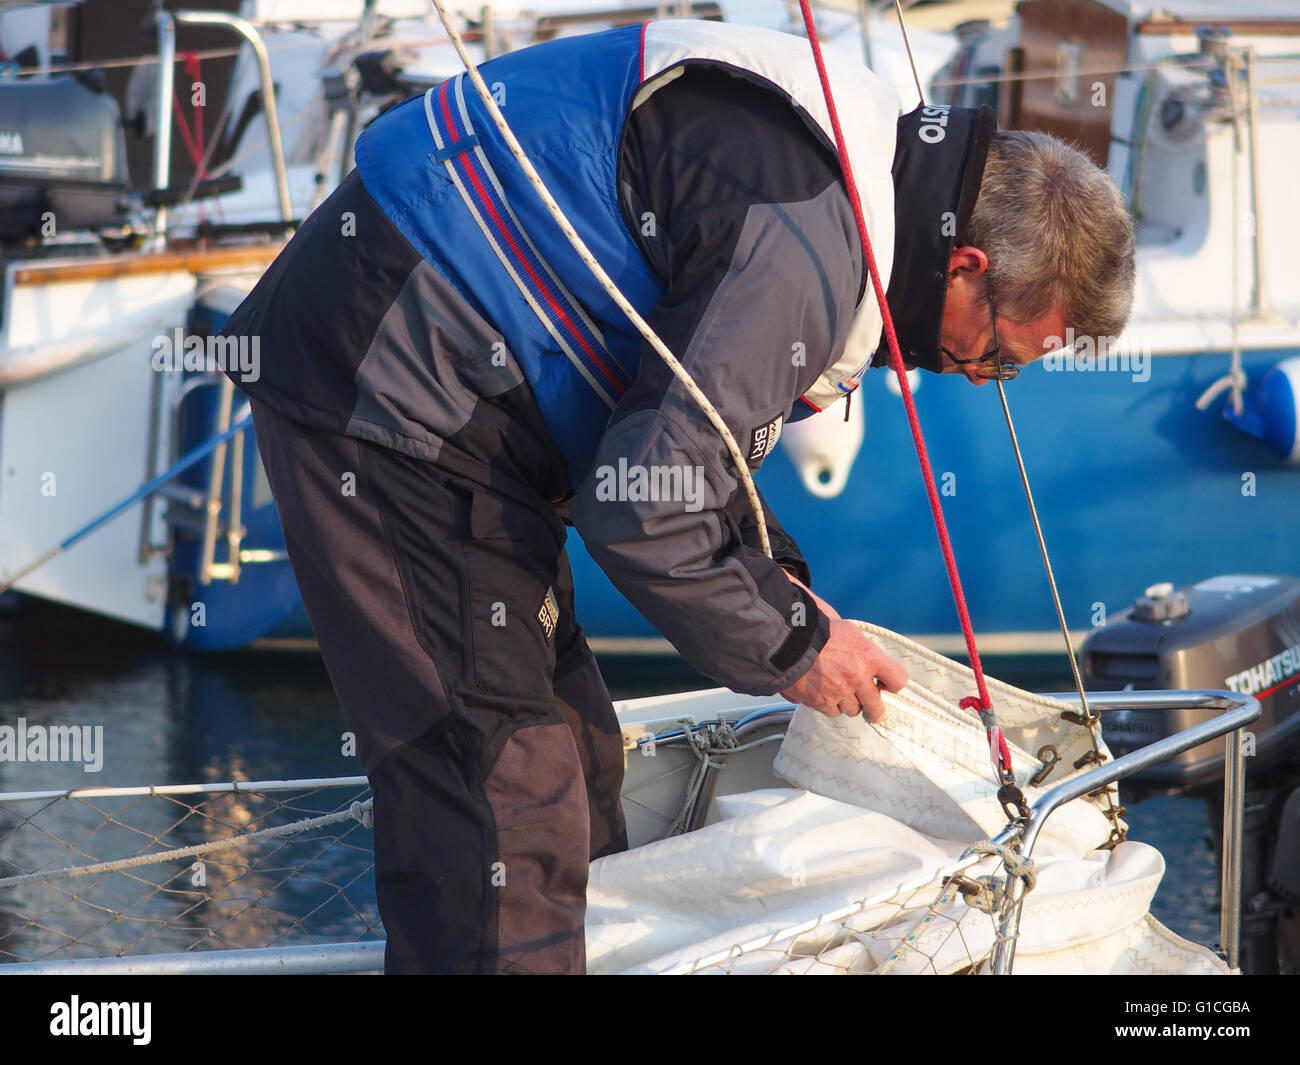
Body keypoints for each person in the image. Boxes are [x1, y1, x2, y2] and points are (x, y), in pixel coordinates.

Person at [218, 18, 1135, 974]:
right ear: (970, 267)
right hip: (385, 386)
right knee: (501, 790)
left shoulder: (850, 189)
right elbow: (641, 505)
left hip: (461, 402)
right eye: (997, 357)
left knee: (576, 756)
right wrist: (795, 645)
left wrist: (784, 586)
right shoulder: (810, 246)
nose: (975, 375)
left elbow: (689, 449)